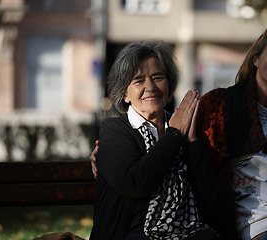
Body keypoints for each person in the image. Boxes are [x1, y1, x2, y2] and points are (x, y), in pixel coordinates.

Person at [91, 21, 267, 240]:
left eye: (158, 78)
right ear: (255, 58)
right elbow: (135, 178)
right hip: (142, 233)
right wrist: (106, 155)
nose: (150, 86)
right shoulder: (212, 109)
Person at [89, 40, 236, 240]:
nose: (151, 87)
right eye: (139, 80)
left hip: (186, 230)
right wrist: (175, 135)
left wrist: (191, 143)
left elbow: (213, 203)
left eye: (158, 77)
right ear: (125, 94)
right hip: (132, 234)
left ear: (169, 84)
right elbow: (136, 183)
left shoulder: (185, 127)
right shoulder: (115, 130)